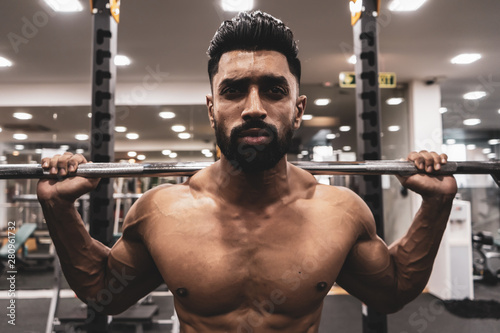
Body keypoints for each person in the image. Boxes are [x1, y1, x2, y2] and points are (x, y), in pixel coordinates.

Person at [37, 11, 457, 333]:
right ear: (211, 107)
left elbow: (393, 291)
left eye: (274, 90)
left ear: (298, 108)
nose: (253, 108)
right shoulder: (161, 212)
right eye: (234, 90)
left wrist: (436, 205)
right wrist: (58, 208)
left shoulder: (340, 212)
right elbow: (104, 294)